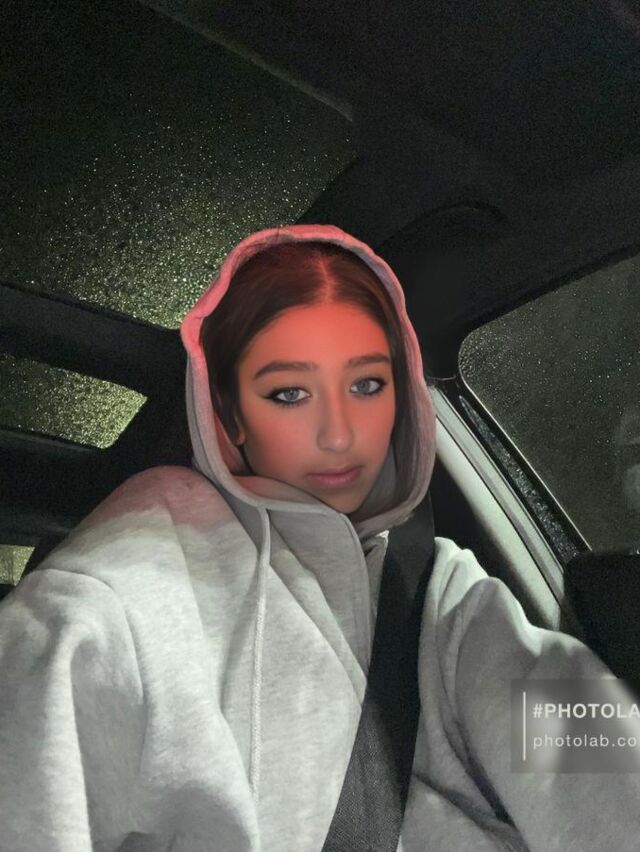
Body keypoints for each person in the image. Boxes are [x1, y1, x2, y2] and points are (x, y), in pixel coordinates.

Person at [0, 223, 639, 852]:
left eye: (367, 385)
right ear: (231, 414)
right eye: (289, 393)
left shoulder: (434, 587)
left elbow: (565, 722)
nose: (339, 434)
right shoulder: (120, 593)